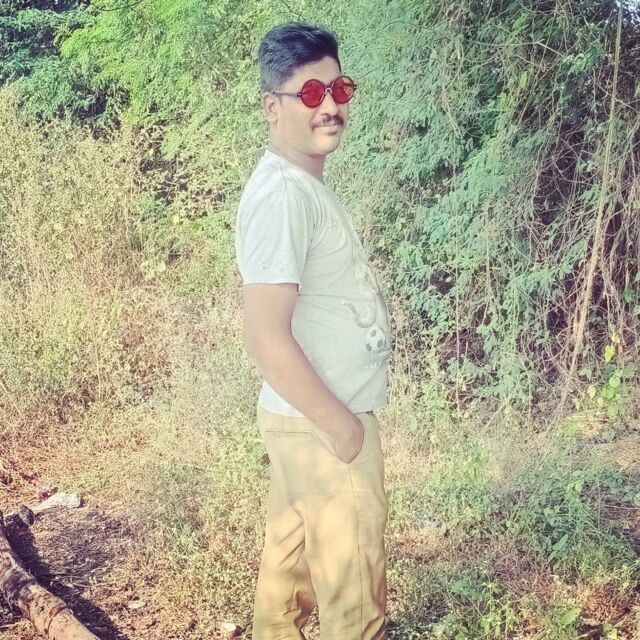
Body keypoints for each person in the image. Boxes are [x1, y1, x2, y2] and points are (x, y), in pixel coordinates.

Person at [234, 21, 392, 640]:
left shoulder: (301, 186)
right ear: (271, 106)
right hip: (324, 426)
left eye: (338, 89)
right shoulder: (283, 196)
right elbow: (264, 337)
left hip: (302, 423)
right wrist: (344, 430)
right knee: (355, 606)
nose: (330, 105)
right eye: (309, 93)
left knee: (286, 585)